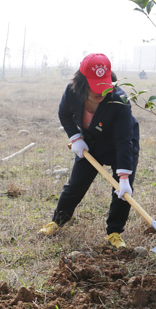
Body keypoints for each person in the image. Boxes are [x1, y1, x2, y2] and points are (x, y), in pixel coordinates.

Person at [39, 53, 140, 248]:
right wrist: (75, 137)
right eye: (95, 86)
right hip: (91, 143)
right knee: (75, 185)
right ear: (82, 82)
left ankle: (114, 233)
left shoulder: (119, 101)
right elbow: (64, 114)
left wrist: (125, 177)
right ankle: (57, 221)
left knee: (121, 192)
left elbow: (124, 140)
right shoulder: (72, 92)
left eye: (104, 85)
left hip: (122, 145)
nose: (100, 92)